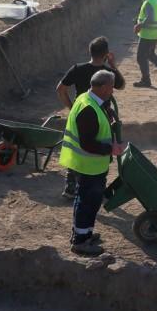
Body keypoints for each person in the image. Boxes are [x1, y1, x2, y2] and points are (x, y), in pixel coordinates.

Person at [59, 70, 125, 256]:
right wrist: (110, 149)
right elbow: (87, 143)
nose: (113, 90)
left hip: (93, 165)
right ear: (103, 87)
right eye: (111, 87)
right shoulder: (88, 109)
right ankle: (80, 242)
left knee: (92, 200)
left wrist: (109, 111)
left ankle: (85, 233)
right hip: (88, 165)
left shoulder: (88, 98)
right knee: (86, 202)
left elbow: (100, 115)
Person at [56, 37, 125, 199]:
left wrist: (72, 108)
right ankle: (95, 185)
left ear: (90, 52)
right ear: (106, 54)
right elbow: (121, 85)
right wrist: (113, 65)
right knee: (97, 149)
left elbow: (60, 89)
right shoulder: (107, 76)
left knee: (78, 148)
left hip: (81, 113)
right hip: (101, 117)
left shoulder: (77, 69)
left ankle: (71, 187)